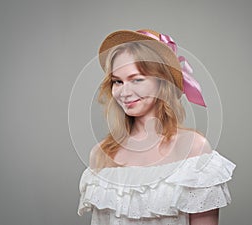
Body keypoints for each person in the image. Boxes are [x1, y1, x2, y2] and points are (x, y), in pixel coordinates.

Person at [78, 29, 236, 225]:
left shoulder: (194, 149)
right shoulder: (101, 154)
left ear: (162, 82)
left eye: (137, 79)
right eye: (117, 81)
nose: (125, 92)